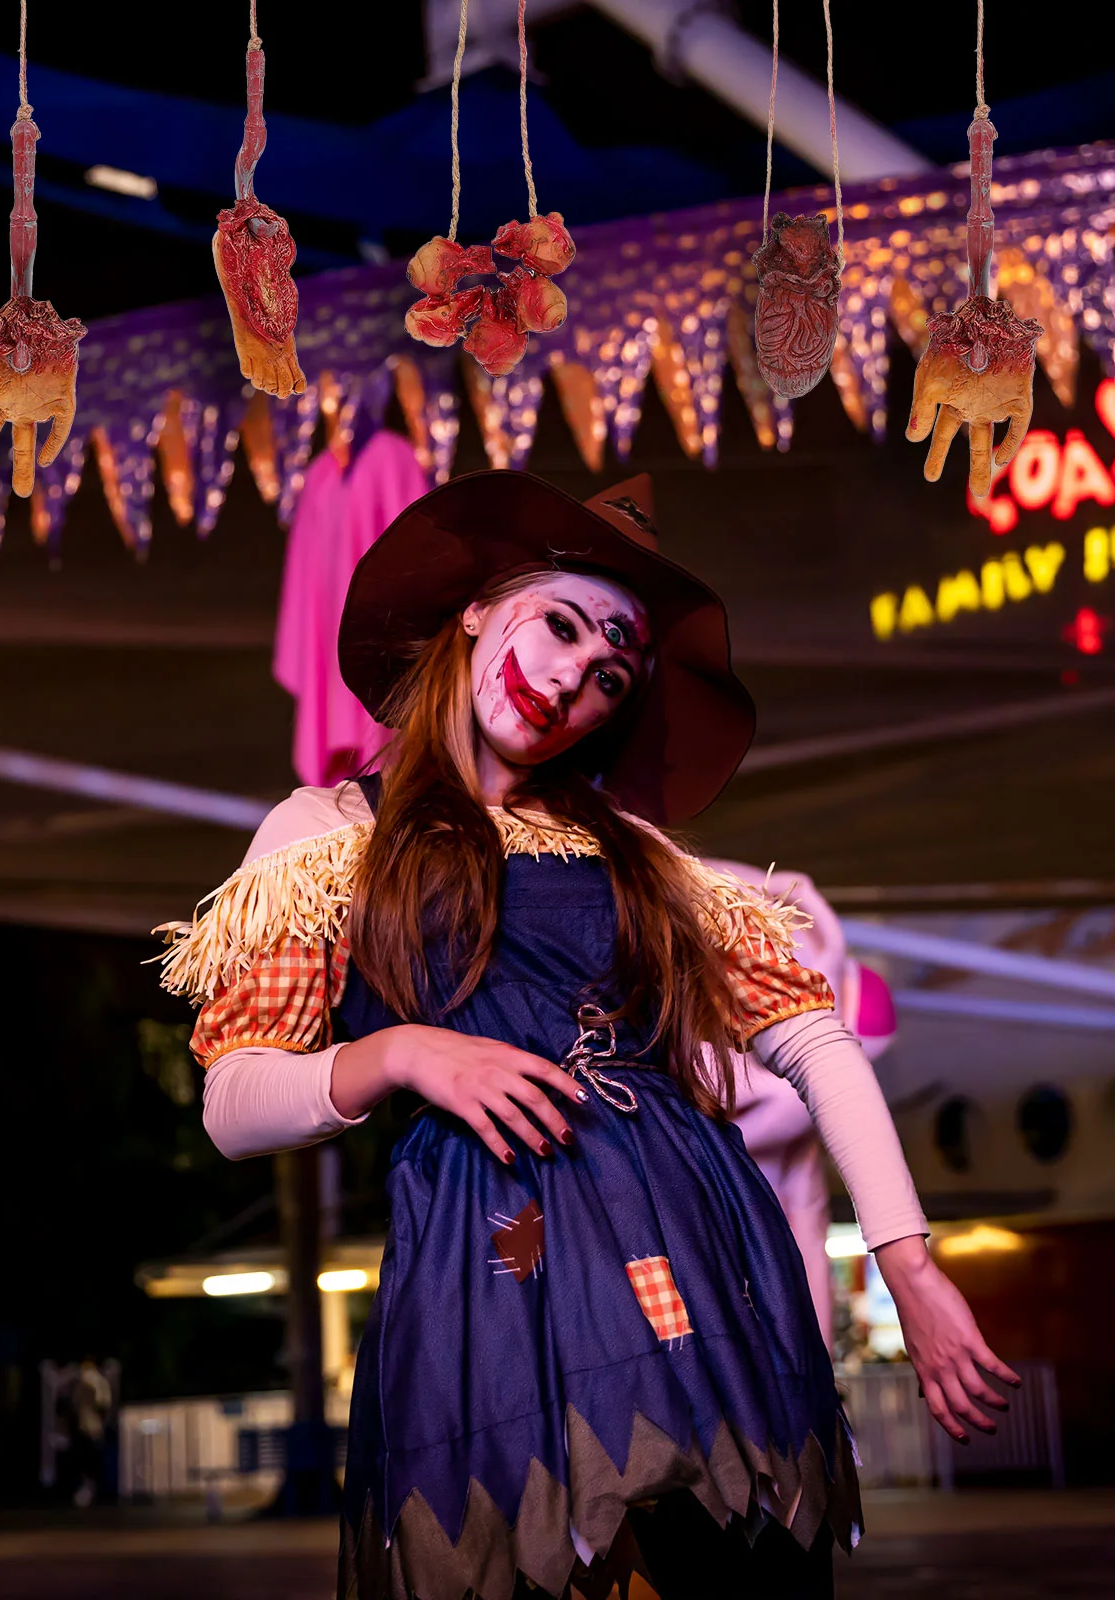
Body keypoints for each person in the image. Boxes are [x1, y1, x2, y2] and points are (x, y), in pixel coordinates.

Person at [162, 471, 1017, 1600]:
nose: (572, 674)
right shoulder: (329, 832)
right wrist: (404, 1052)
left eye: (610, 671)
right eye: (559, 624)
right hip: (494, 1269)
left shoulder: (642, 856)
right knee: (516, 1561)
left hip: (696, 1254)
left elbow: (816, 1041)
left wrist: (910, 1267)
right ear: (473, 611)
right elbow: (233, 1102)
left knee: (733, 1562)